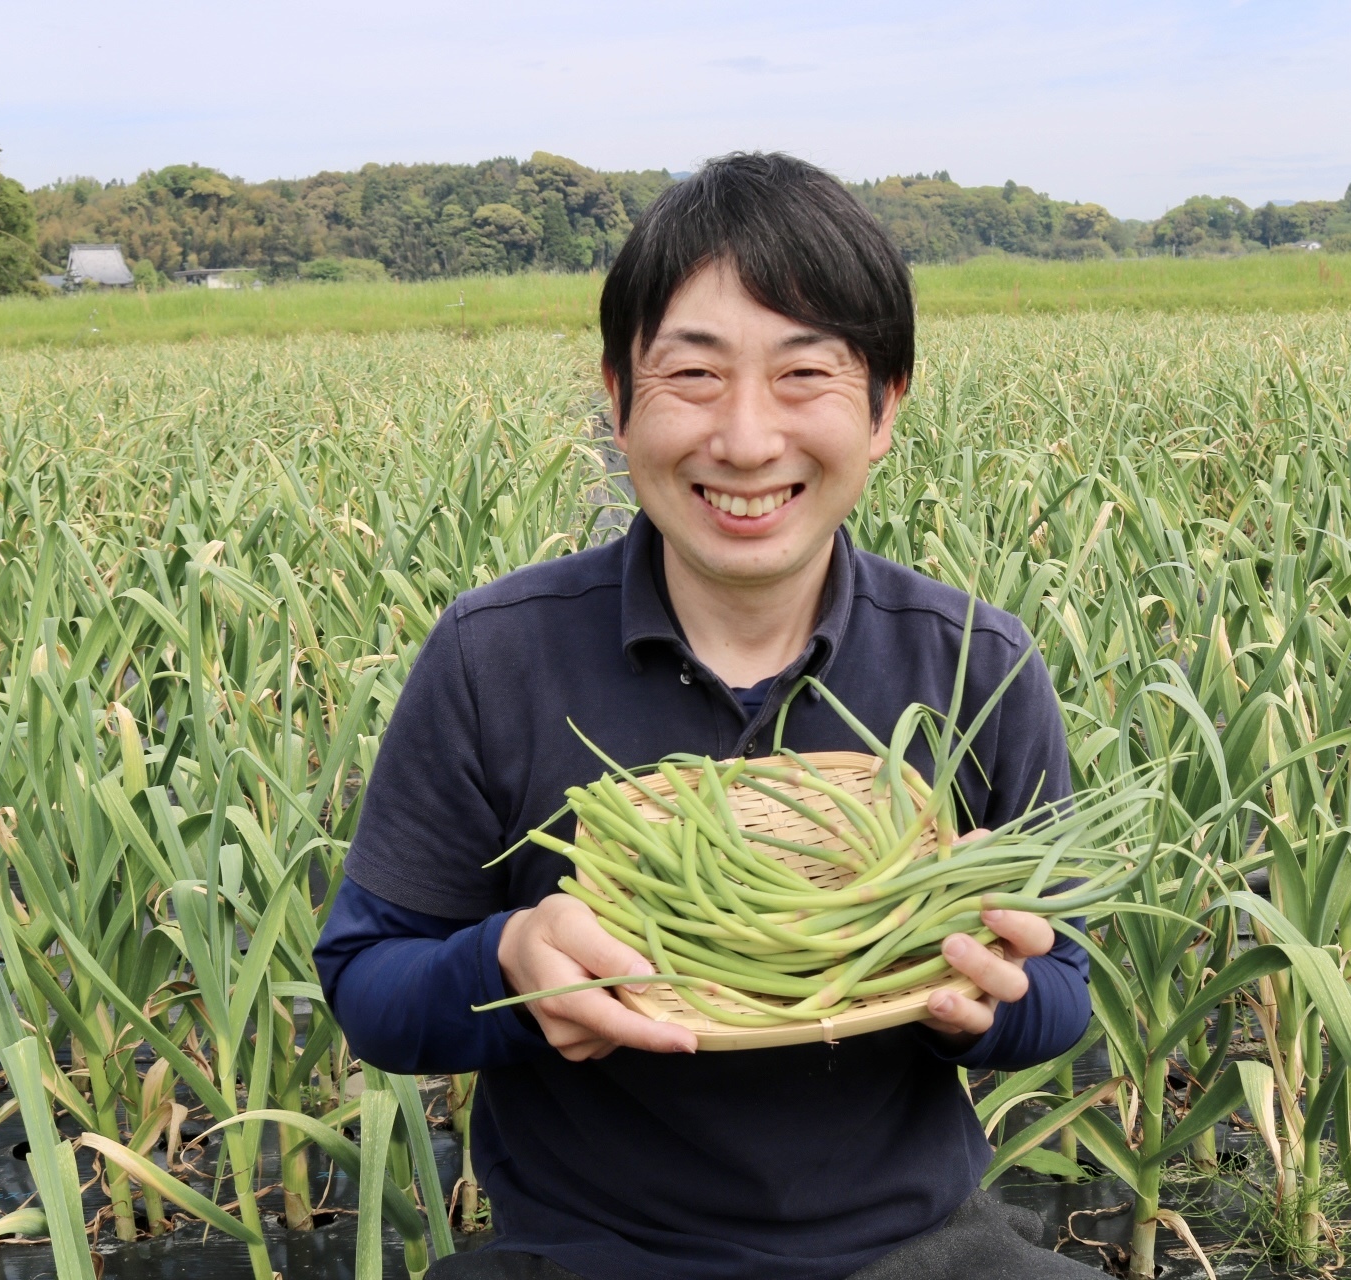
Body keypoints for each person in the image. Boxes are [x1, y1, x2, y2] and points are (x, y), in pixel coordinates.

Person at [316, 152, 1103, 1280]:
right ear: (619, 400)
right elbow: (369, 984)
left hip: (917, 1249)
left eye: (804, 375)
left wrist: (981, 999)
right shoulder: (497, 656)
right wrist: (510, 965)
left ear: (884, 408)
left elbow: (1061, 990)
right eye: (692, 374)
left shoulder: (974, 662)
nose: (744, 439)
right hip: (586, 1256)